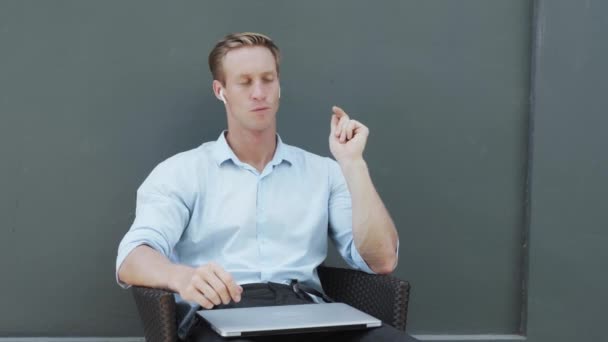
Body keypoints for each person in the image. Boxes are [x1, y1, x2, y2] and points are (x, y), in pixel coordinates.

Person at [116, 32, 416, 341]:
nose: (259, 93)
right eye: (244, 82)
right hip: (221, 315)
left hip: (310, 313)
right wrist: (181, 277)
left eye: (267, 79)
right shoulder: (181, 171)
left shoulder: (323, 172)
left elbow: (381, 261)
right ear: (221, 91)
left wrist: (353, 164)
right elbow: (131, 258)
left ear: (278, 86)